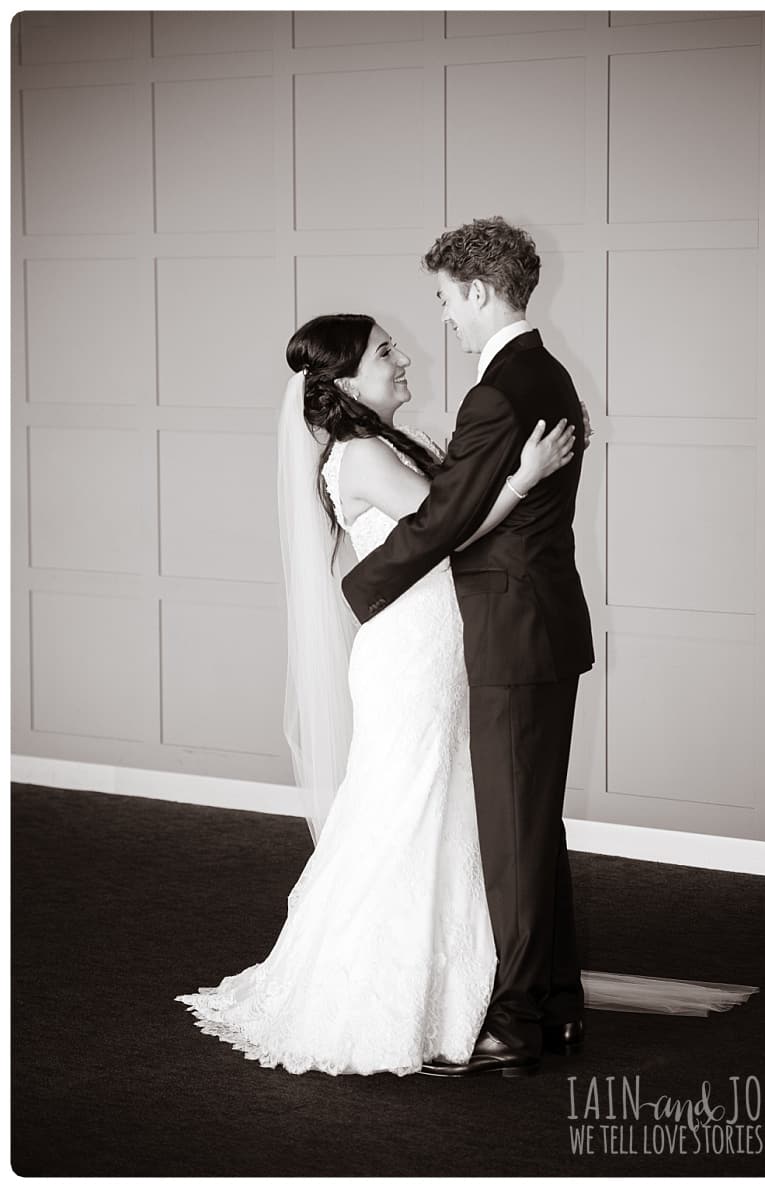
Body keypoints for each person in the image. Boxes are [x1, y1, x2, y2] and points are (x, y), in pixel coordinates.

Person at [174, 312, 580, 1076]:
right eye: (384, 351)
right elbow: (444, 530)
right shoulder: (359, 456)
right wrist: (524, 479)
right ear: (347, 382)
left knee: (450, 801)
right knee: (407, 804)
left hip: (442, 643)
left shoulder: (401, 442)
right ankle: (388, 991)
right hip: (409, 655)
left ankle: (480, 977)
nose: (403, 358)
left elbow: (446, 514)